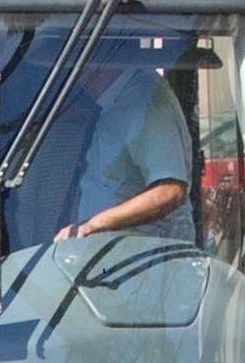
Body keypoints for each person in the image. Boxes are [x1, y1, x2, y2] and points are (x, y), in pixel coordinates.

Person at [53, 58, 196, 244]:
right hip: (104, 252)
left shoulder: (146, 99)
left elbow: (170, 191)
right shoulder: (112, 101)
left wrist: (93, 225)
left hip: (147, 255)